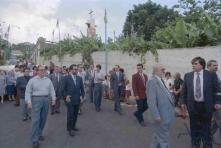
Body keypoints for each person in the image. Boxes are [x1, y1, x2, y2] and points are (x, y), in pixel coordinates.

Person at [180, 57, 221, 148]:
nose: (193, 65)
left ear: (201, 65)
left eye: (195, 63)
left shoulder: (211, 75)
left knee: (206, 126)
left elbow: (217, 90)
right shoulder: (188, 75)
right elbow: (184, 91)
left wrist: (218, 101)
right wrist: (182, 102)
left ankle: (207, 143)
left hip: (207, 106)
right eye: (192, 64)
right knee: (194, 126)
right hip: (193, 106)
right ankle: (195, 143)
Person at [25, 66, 56, 148]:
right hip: (36, 100)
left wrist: (54, 99)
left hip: (46, 100)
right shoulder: (32, 80)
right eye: (41, 70)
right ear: (37, 71)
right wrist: (28, 101)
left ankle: (39, 133)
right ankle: (34, 140)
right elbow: (28, 92)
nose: (43, 71)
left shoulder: (48, 80)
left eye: (44, 70)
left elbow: (52, 90)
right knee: (35, 120)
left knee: (43, 119)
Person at [146, 64, 175, 148]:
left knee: (157, 137)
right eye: (162, 70)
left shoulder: (160, 80)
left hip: (165, 114)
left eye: (164, 69)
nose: (164, 71)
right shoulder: (152, 81)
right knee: (163, 139)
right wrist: (156, 115)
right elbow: (151, 101)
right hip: (160, 115)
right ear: (156, 71)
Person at [63, 64, 85, 137]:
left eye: (76, 69)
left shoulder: (79, 78)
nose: (75, 70)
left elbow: (82, 89)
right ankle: (70, 129)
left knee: (75, 114)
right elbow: (63, 89)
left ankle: (73, 126)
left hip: (77, 99)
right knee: (70, 115)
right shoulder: (66, 78)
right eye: (74, 69)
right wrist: (66, 96)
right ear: (70, 70)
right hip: (70, 100)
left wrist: (82, 96)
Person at [207, 60, 221, 143]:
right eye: (214, 65)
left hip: (218, 102)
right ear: (208, 66)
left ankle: (208, 136)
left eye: (217, 65)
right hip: (214, 104)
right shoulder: (207, 77)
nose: (216, 67)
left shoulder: (217, 75)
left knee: (215, 122)